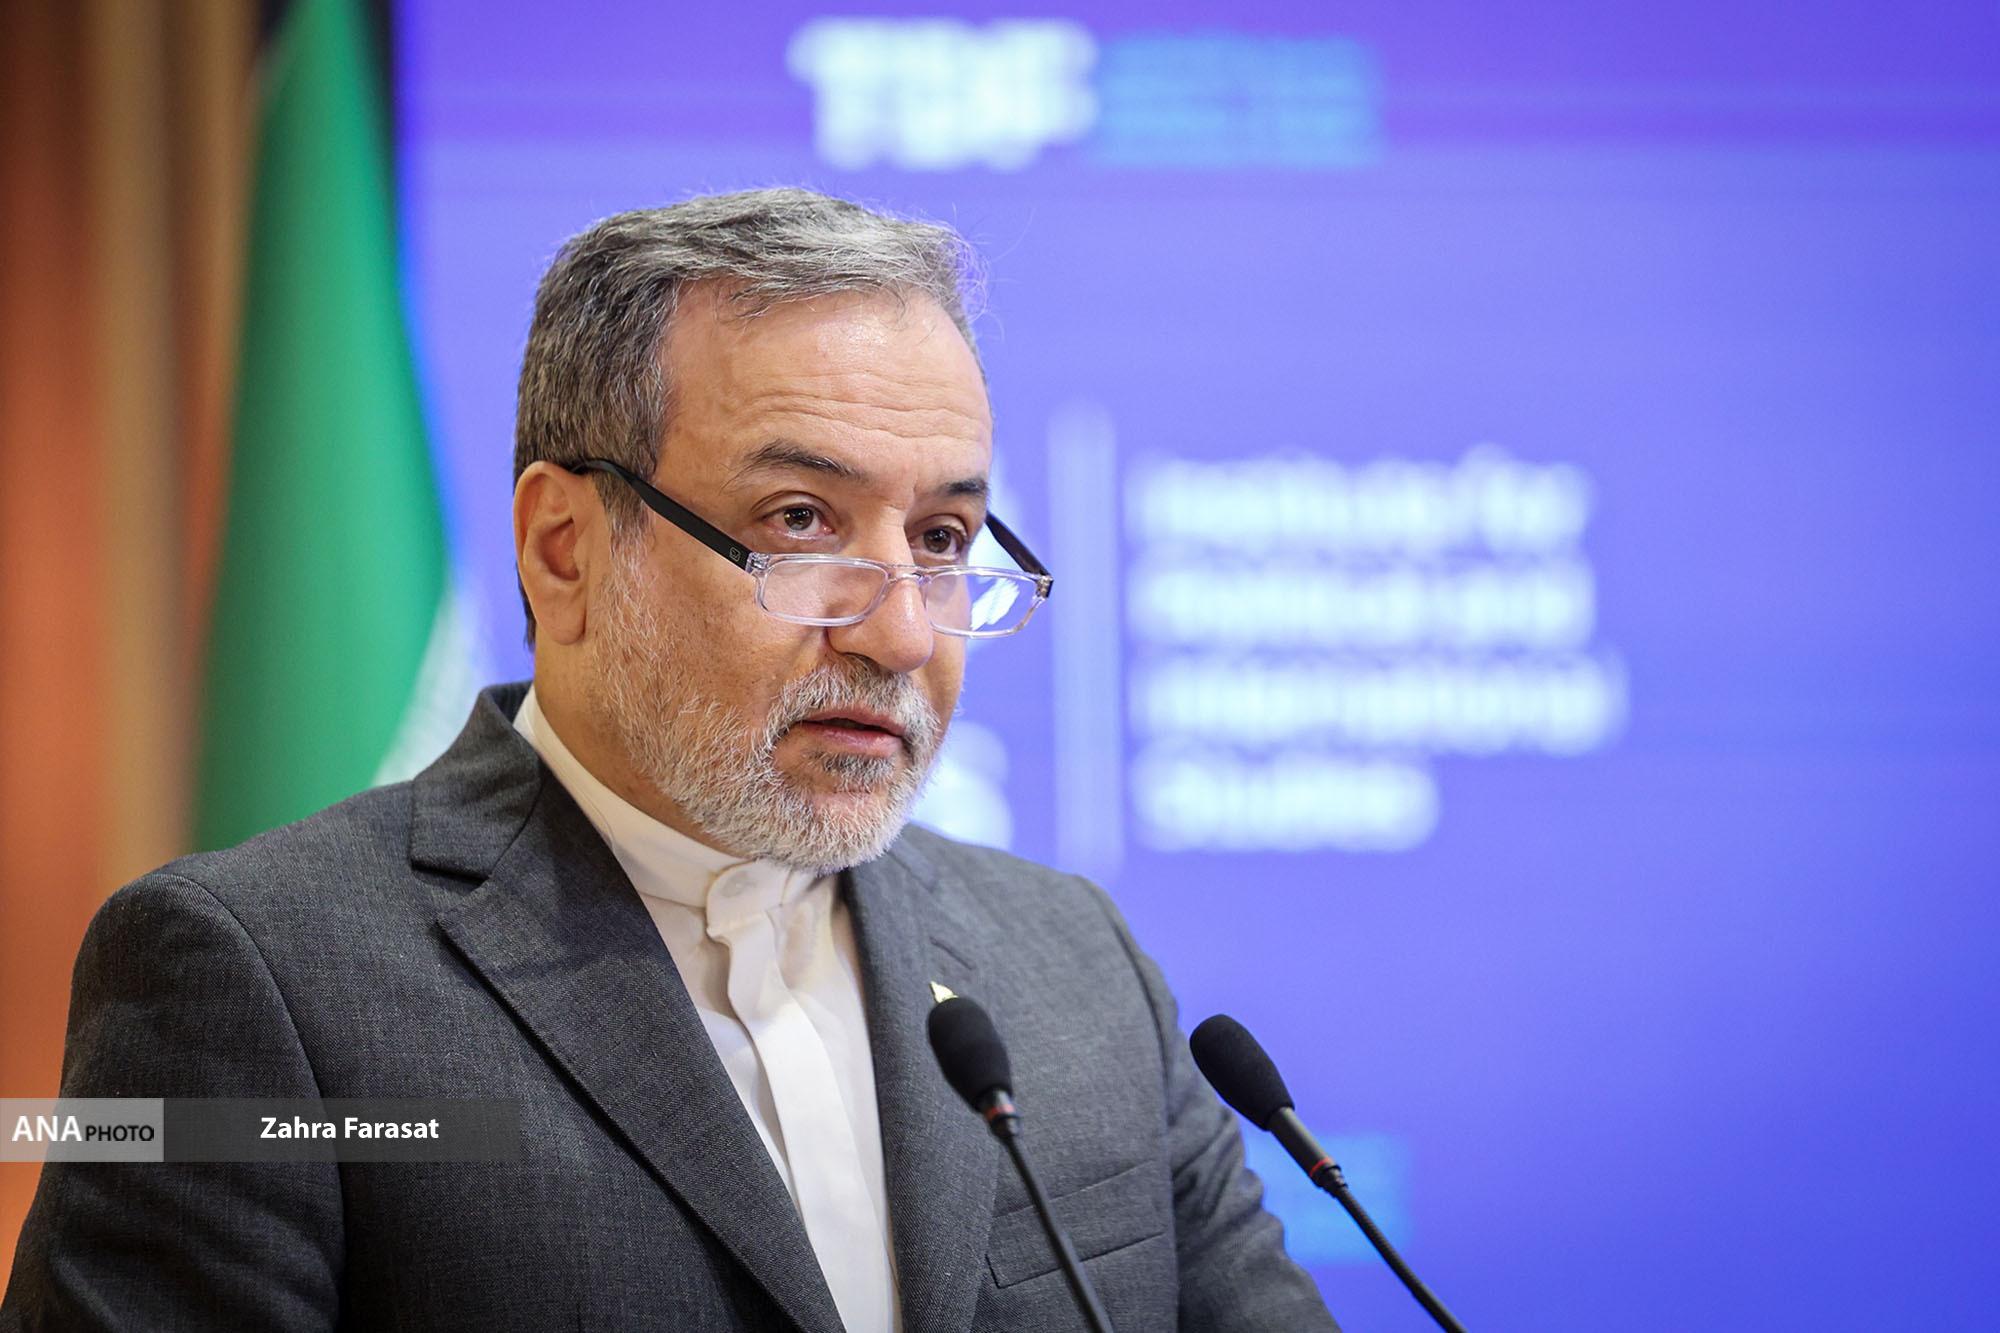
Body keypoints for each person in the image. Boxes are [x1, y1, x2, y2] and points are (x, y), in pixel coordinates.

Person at [3, 188, 1336, 1331]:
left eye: (941, 539)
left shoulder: (1075, 964)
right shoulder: (250, 977)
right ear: (566, 550)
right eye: (800, 520)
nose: (895, 633)